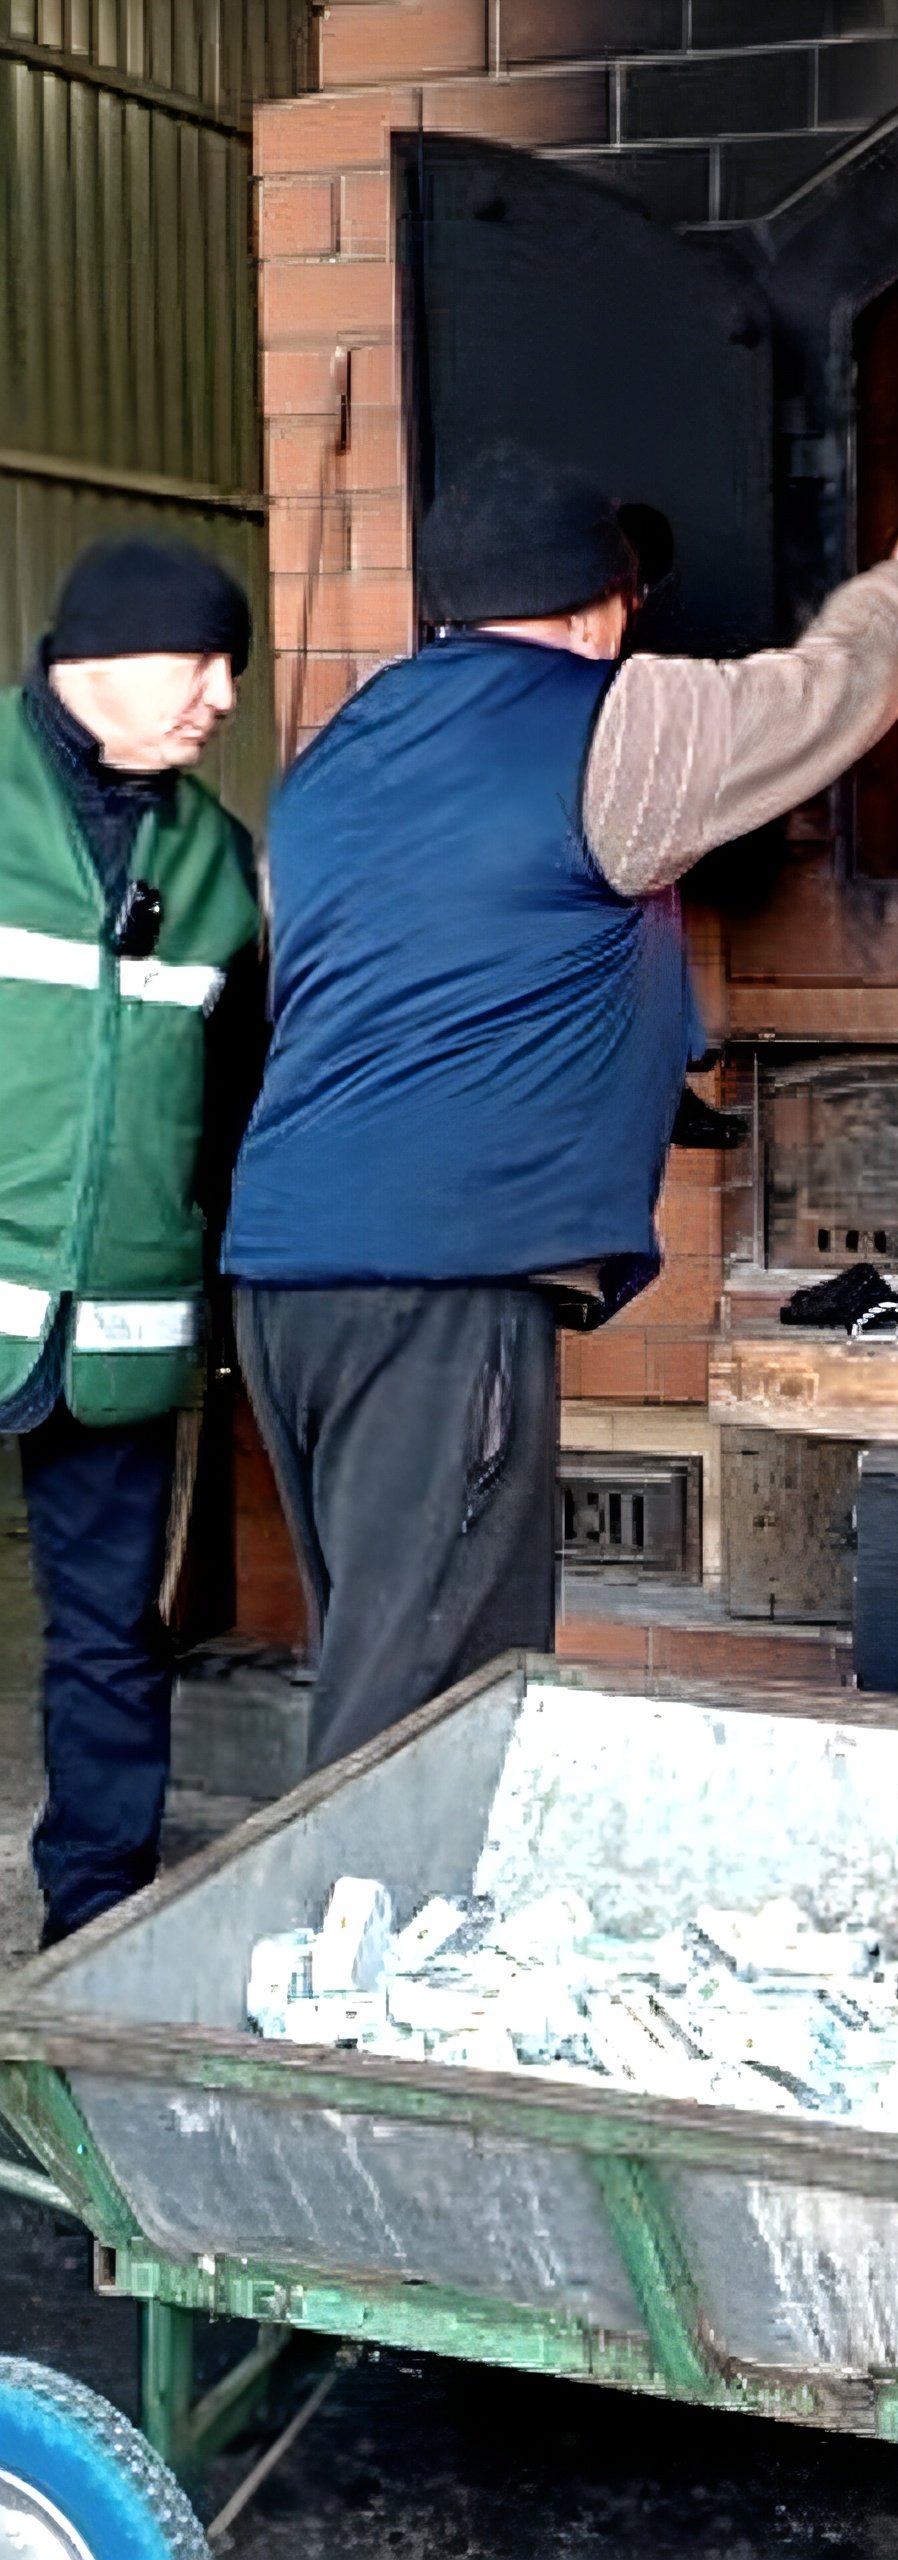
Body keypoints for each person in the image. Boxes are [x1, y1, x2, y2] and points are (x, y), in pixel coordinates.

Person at [224, 443, 898, 1772]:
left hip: (287, 1278)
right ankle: (345, 1962)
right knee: (427, 1700)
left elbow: (430, 968)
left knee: (376, 1641)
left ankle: (352, 1944)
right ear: (596, 610)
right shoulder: (609, 721)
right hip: (437, 1288)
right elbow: (825, 695)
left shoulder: (334, 760)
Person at [0, 535, 259, 1944]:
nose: (221, 695)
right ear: (90, 653)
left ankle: (93, 1937)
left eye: (235, 668)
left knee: (110, 1645)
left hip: (125, 1321)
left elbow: (231, 1106)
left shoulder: (218, 861)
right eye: (199, 661)